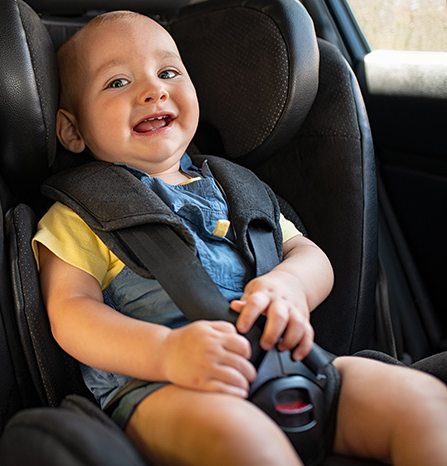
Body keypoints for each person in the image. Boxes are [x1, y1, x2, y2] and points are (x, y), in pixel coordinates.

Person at [33, 10, 447, 466]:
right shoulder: (79, 215)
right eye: (117, 83)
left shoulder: (239, 190)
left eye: (168, 72)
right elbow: (70, 312)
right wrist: (166, 353)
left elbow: (308, 255)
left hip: (293, 365)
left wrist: (288, 285)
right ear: (72, 130)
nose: (154, 90)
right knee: (248, 445)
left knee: (423, 403)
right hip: (166, 389)